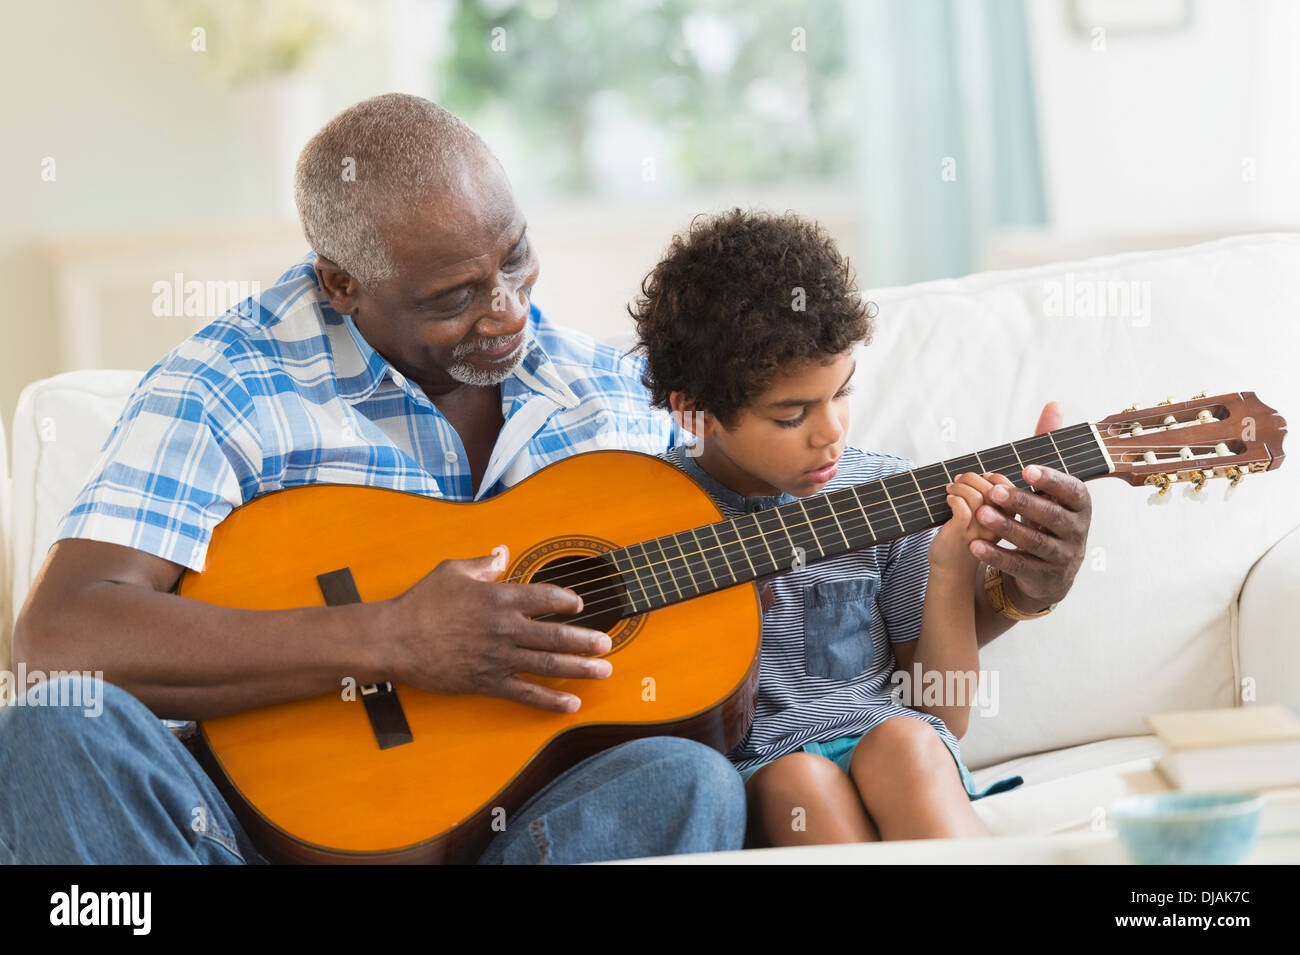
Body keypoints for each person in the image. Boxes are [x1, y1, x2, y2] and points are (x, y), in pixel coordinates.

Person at [0, 93, 745, 865]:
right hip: (249, 843)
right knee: (58, 722)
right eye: (453, 297)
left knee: (689, 779)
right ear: (342, 284)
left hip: (519, 837)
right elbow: (61, 640)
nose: (507, 309)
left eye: (515, 255)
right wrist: (393, 636)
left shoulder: (610, 394)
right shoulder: (226, 384)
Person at [628, 208, 1093, 847]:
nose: (832, 433)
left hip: (893, 743)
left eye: (842, 393)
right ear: (695, 414)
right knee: (803, 784)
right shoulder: (641, 511)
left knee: (904, 741)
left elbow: (942, 713)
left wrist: (953, 562)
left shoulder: (885, 495)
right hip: (762, 771)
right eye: (792, 415)